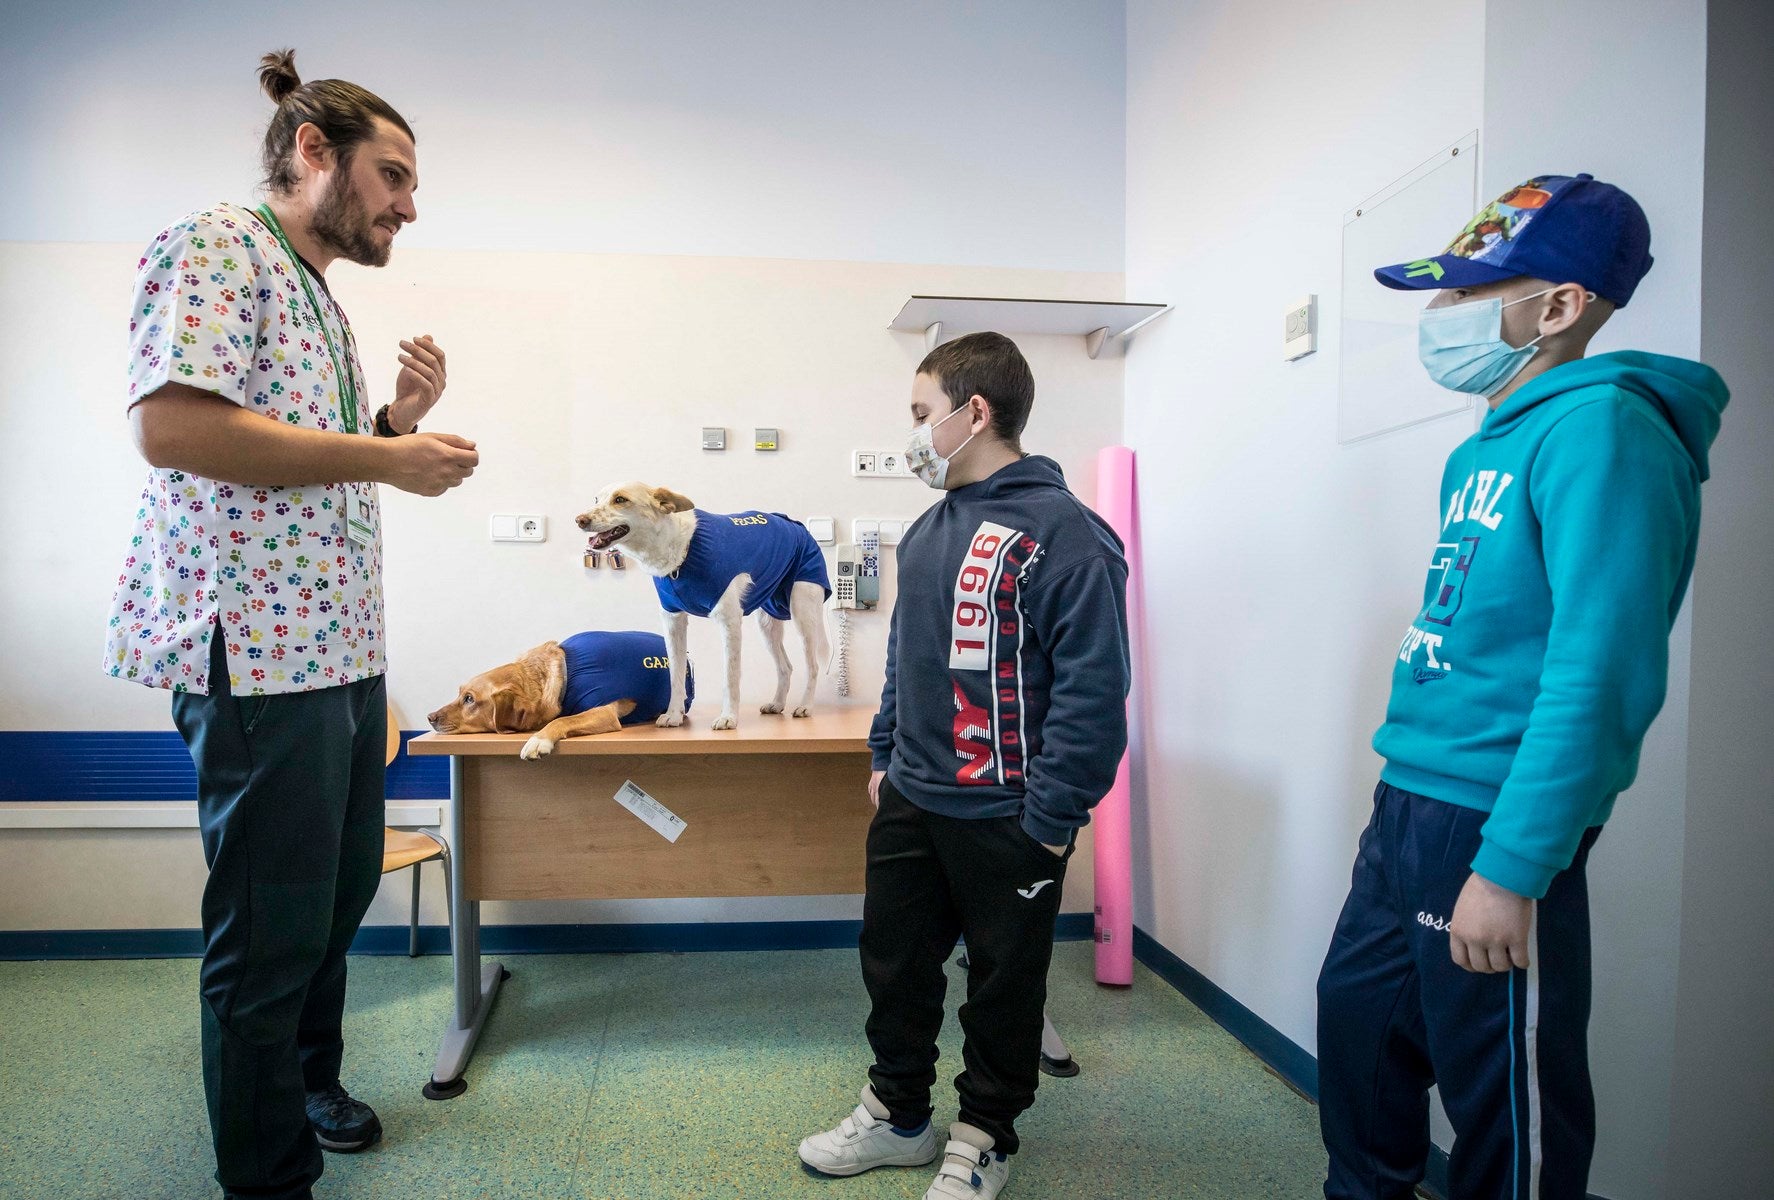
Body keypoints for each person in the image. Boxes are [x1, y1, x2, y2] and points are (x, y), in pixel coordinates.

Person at [102, 49, 478, 1200]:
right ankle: (268, 1178)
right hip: (258, 660)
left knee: (334, 898)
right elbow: (173, 429)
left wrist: (389, 421)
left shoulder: (310, 288)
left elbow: (291, 460)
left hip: (337, 654)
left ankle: (310, 1086)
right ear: (313, 151)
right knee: (268, 938)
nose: (408, 205)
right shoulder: (216, 244)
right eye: (393, 176)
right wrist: (389, 456)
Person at [1316, 175, 1729, 1199]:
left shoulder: (1607, 431)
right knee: (1363, 1045)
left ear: (1558, 306)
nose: (1442, 316)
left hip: (1488, 819)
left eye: (1469, 293)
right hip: (1410, 801)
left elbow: (1599, 672)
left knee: (1505, 1103)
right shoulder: (1492, 438)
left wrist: (1510, 868)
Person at [798, 332, 1131, 1199]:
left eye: (920, 414)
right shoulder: (930, 526)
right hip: (913, 800)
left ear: (972, 411)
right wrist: (885, 757)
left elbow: (1095, 696)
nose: (912, 433)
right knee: (895, 965)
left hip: (1011, 816)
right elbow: (911, 659)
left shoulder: (1068, 535)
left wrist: (1049, 820)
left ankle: (983, 1134)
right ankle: (900, 1116)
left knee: (1002, 987)